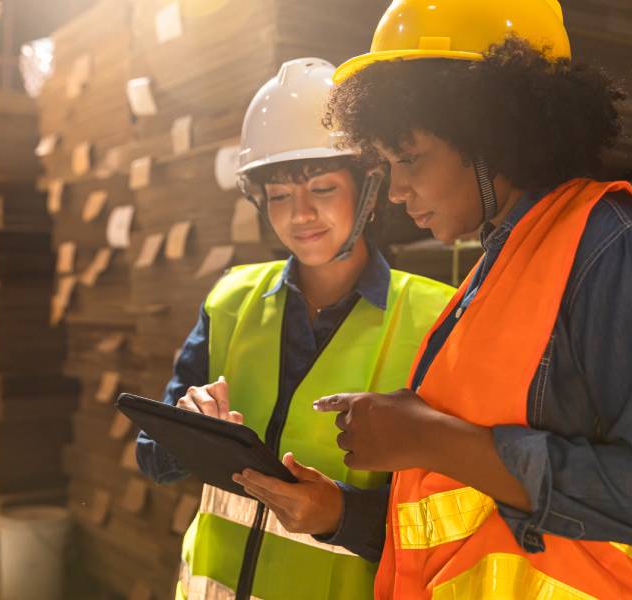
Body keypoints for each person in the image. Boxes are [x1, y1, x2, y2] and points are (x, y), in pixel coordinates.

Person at [304, 1, 632, 598]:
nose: (398, 190)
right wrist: (340, 512)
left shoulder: (618, 251)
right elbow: (476, 515)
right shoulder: (505, 264)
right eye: (387, 165)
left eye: (409, 159)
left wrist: (429, 438)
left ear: (492, 134)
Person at [135, 57, 456, 600]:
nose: (299, 214)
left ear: (369, 187)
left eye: (323, 189)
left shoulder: (433, 319)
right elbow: (153, 456)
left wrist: (342, 513)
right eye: (280, 195)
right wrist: (186, 433)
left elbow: (451, 519)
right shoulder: (230, 300)